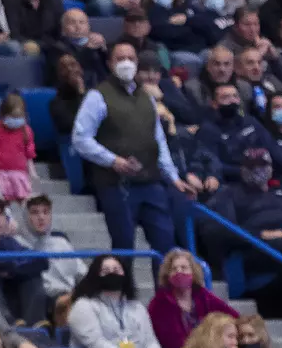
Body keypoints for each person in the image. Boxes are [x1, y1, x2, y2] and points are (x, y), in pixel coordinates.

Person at [72, 41, 198, 255]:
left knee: (165, 246)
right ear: (110, 63)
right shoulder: (98, 96)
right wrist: (112, 160)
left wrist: (174, 178)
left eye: (131, 58)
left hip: (151, 182)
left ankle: (163, 290)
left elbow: (159, 141)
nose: (126, 63)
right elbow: (80, 138)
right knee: (124, 248)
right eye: (120, 59)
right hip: (116, 185)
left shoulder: (147, 98)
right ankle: (123, 289)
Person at [67, 256, 163, 348]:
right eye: (105, 270)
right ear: (95, 275)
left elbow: (151, 341)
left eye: (116, 269)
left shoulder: (136, 307)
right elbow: (97, 346)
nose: (112, 273)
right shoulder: (83, 306)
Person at [148, 248, 239, 348]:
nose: (179, 271)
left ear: (193, 272)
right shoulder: (160, 303)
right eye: (174, 269)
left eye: (184, 268)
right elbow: (172, 343)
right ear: (168, 275)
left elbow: (233, 316)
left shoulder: (203, 295)